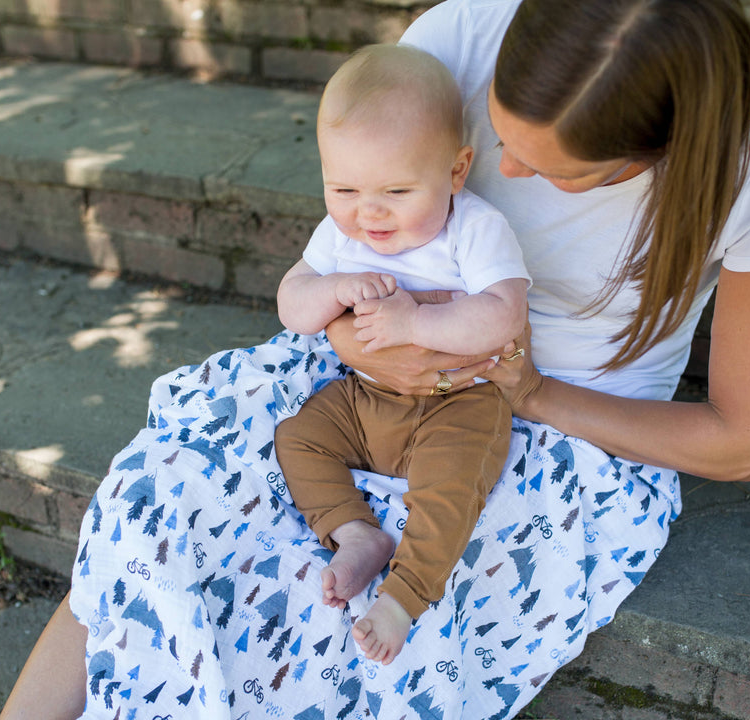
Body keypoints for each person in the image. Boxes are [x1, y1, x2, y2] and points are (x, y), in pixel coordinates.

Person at [0, 0, 750, 718]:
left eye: (553, 172)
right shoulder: (461, 35)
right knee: (169, 500)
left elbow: (741, 439)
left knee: (339, 629)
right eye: (500, 138)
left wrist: (533, 394)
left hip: (561, 426)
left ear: (655, 156)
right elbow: (356, 233)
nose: (504, 175)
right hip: (360, 373)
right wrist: (350, 336)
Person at [273, 43, 530, 666]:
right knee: (299, 437)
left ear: (455, 171)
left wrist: (418, 318)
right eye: (344, 187)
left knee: (451, 489)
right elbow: (291, 303)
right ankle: (356, 531)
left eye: (394, 189)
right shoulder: (341, 233)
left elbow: (505, 314)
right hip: (364, 397)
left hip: (458, 404)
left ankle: (404, 596)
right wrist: (330, 288)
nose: (369, 211)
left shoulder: (473, 228)